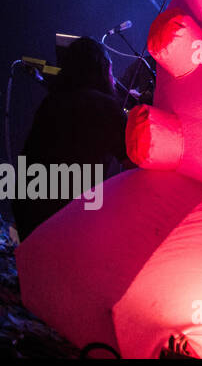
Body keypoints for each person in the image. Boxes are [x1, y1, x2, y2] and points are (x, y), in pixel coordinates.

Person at [12, 37, 131, 239]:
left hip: (28, 212)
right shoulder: (106, 108)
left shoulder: (52, 101)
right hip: (70, 220)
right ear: (104, 69)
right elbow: (133, 163)